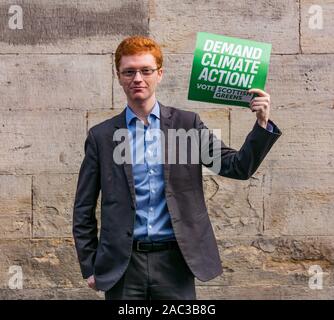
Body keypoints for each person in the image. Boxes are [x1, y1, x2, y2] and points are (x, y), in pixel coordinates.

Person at [72, 36, 282, 300]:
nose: (138, 78)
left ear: (159, 74)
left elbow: (236, 167)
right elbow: (83, 208)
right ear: (119, 76)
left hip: (176, 262)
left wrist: (262, 123)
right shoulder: (101, 136)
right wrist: (89, 265)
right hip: (123, 266)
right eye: (129, 71)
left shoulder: (187, 125)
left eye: (146, 70)